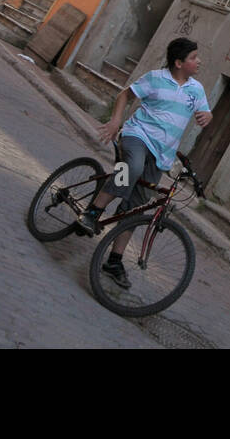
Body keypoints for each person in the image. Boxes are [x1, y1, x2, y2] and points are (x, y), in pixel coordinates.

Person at [74, 37, 211, 289]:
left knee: (136, 206)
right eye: (193, 57)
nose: (198, 61)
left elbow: (205, 111)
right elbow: (125, 95)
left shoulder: (196, 89)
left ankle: (114, 261)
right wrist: (116, 122)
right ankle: (92, 212)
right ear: (179, 62)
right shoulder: (155, 78)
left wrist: (207, 115)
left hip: (163, 154)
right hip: (138, 136)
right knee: (131, 169)